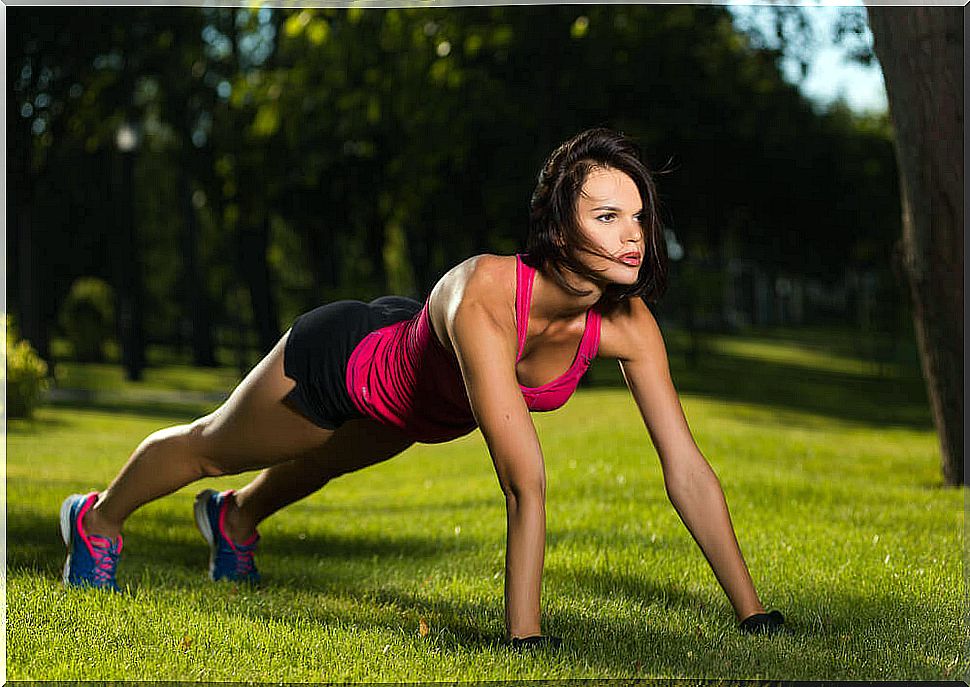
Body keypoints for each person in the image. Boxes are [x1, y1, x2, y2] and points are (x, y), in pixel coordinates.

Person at [60, 127, 786, 646]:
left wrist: (753, 613)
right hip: (341, 363)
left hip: (413, 402)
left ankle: (233, 523)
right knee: (214, 446)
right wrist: (524, 638)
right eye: (606, 216)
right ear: (558, 230)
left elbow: (685, 467)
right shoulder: (484, 293)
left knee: (323, 462)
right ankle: (96, 521)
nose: (632, 234)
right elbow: (524, 479)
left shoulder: (628, 323)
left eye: (637, 215)